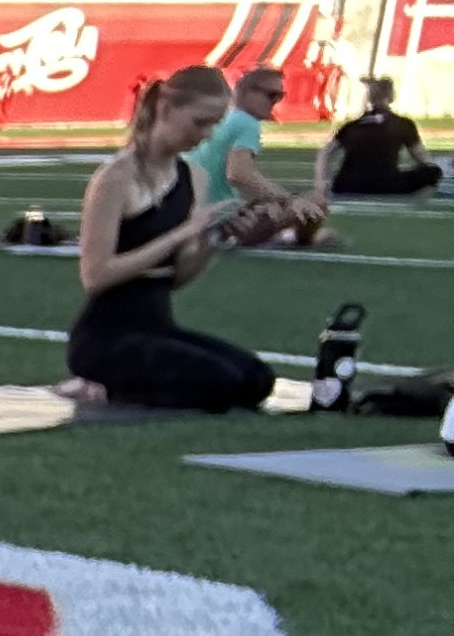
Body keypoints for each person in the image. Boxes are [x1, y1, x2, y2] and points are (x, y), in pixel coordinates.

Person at [69, 66, 285, 415]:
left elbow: (178, 276)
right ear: (166, 109)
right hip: (105, 337)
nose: (206, 134)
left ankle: (124, 385)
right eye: (200, 122)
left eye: (214, 124)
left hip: (156, 327)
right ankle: (104, 384)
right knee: (221, 383)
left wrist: (218, 238)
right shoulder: (116, 177)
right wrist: (182, 233)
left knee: (257, 379)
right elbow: (95, 276)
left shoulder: (193, 177)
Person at [190, 61, 331, 246]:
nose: (275, 102)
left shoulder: (224, 118)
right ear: (247, 93)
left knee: (271, 202)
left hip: (193, 212)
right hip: (217, 221)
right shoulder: (247, 122)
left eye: (280, 96)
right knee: (315, 202)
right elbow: (238, 174)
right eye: (271, 95)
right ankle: (297, 239)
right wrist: (288, 200)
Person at [319, 76, 440, 201]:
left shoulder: (351, 126)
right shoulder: (403, 124)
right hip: (387, 185)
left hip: (347, 185)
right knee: (433, 172)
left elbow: (325, 153)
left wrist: (321, 183)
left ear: (370, 98)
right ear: (391, 97)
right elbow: (422, 157)